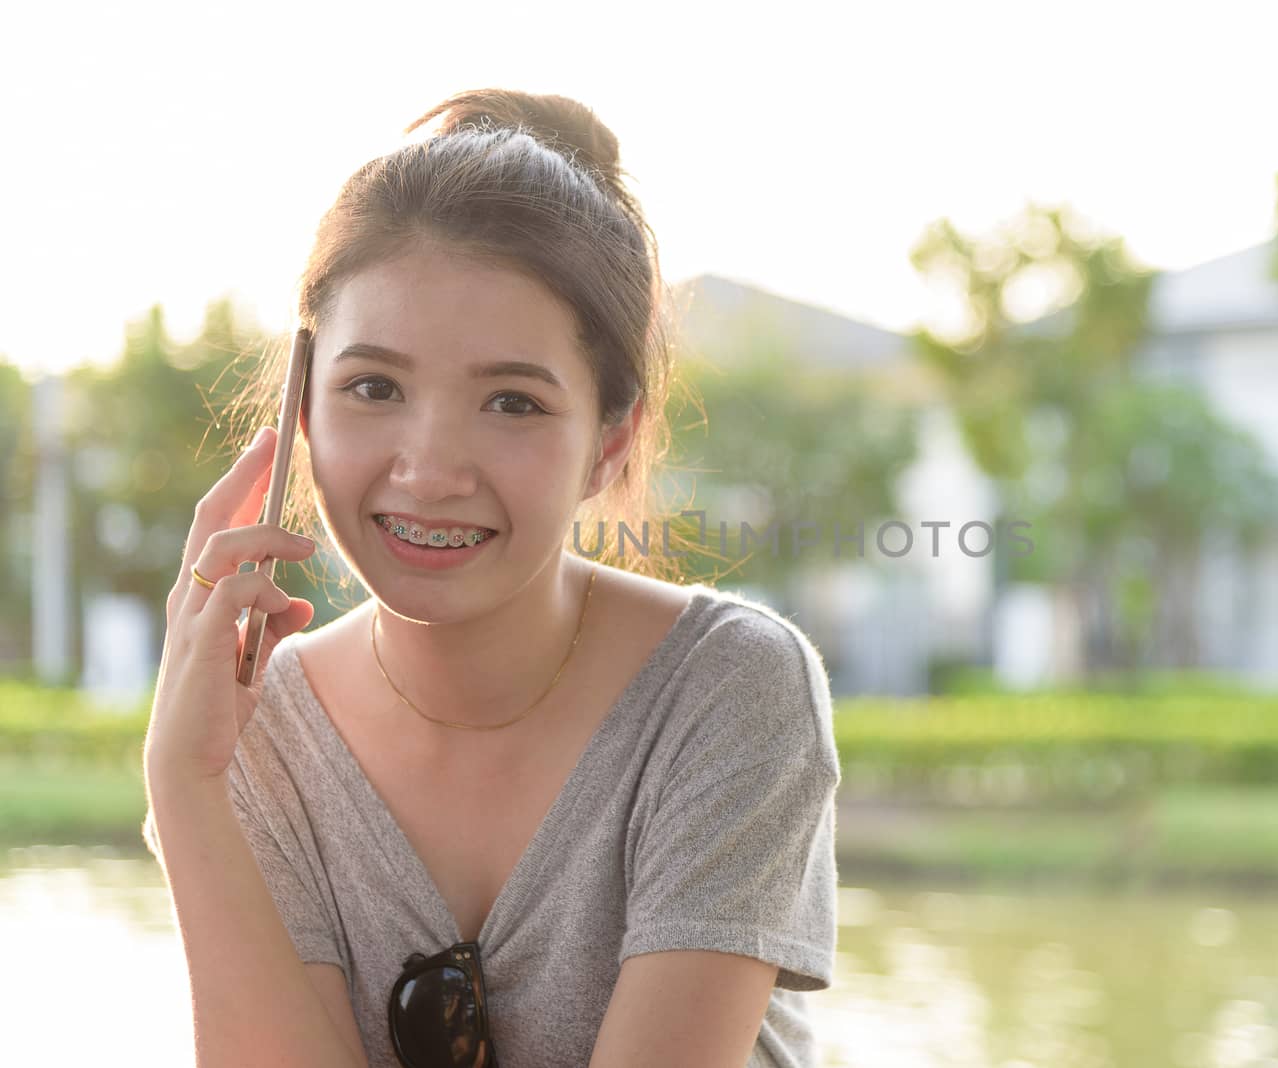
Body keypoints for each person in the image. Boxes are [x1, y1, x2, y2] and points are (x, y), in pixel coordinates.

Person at [140, 88, 841, 1068]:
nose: (429, 470)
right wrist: (181, 782)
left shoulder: (726, 689)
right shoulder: (256, 733)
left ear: (608, 443)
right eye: (372, 388)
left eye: (512, 401)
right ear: (302, 411)